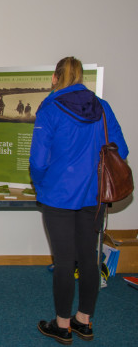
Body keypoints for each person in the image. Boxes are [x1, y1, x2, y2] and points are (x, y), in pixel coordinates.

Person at [29, 56, 129, 344]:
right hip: (94, 196)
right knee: (88, 257)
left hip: (59, 195)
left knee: (63, 262)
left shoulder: (50, 108)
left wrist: (41, 184)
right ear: (82, 77)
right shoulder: (102, 107)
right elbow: (120, 149)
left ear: (54, 78)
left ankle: (61, 325)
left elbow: (37, 160)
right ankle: (84, 320)